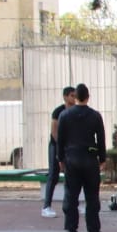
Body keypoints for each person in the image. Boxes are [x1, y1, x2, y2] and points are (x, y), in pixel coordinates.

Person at [55, 82, 106, 232]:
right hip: (90, 158)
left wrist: (60, 158)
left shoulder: (64, 115)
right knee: (92, 195)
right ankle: (93, 228)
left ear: (75, 97)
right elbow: (101, 139)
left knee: (71, 194)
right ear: (88, 97)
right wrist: (102, 158)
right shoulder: (95, 115)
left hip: (71, 158)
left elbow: (60, 139)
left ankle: (71, 227)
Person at [41, 86, 77, 218]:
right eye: (72, 96)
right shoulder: (58, 111)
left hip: (71, 147)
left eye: (75, 96)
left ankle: (71, 205)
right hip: (56, 145)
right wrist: (59, 148)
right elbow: (54, 132)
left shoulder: (76, 111)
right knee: (53, 174)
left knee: (72, 175)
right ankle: (46, 206)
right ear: (65, 97)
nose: (74, 98)